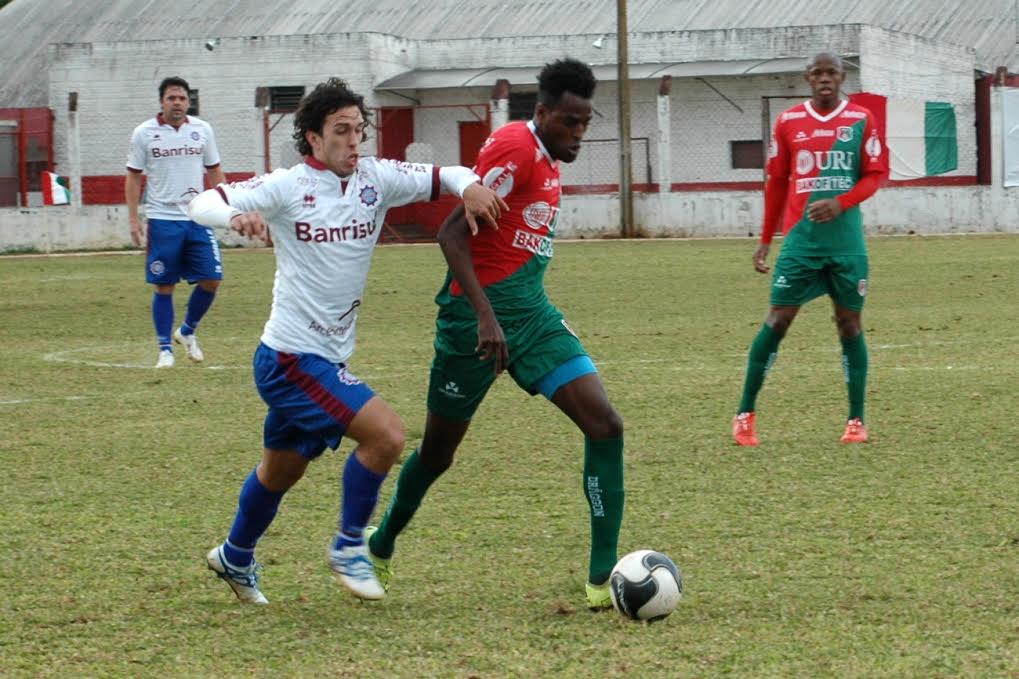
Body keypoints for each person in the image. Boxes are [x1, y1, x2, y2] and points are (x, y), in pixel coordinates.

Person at [187, 78, 507, 604]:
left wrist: (469, 184)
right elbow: (202, 202)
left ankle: (234, 556)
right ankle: (348, 546)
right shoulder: (287, 186)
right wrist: (234, 215)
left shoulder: (375, 180)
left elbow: (445, 174)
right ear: (313, 138)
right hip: (290, 358)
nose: (354, 142)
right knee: (387, 435)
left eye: (359, 130)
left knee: (279, 471)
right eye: (341, 131)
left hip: (324, 356)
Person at [364, 58, 625, 610]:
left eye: (586, 122)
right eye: (570, 122)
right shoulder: (515, 150)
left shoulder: (550, 158)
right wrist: (485, 317)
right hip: (473, 322)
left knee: (604, 424)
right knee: (437, 454)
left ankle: (602, 581)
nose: (579, 133)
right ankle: (380, 545)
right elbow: (452, 235)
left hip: (532, 316)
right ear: (543, 111)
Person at [732, 52, 888, 447]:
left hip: (847, 245)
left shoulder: (860, 120)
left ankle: (856, 420)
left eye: (831, 73)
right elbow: (778, 183)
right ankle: (745, 414)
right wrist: (766, 239)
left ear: (841, 77)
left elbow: (875, 176)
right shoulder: (788, 122)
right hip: (801, 243)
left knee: (849, 323)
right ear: (807, 78)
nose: (824, 79)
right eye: (817, 73)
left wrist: (841, 202)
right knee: (778, 319)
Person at [126, 76, 226, 368]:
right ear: (162, 102)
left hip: (198, 215)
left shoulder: (202, 130)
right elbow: (133, 176)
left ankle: (186, 331)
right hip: (161, 219)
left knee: (212, 278)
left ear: (188, 101)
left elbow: (215, 170)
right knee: (164, 285)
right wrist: (134, 218)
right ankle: (165, 350)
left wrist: (231, 205)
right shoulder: (144, 133)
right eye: (172, 98)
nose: (178, 103)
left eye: (182, 98)